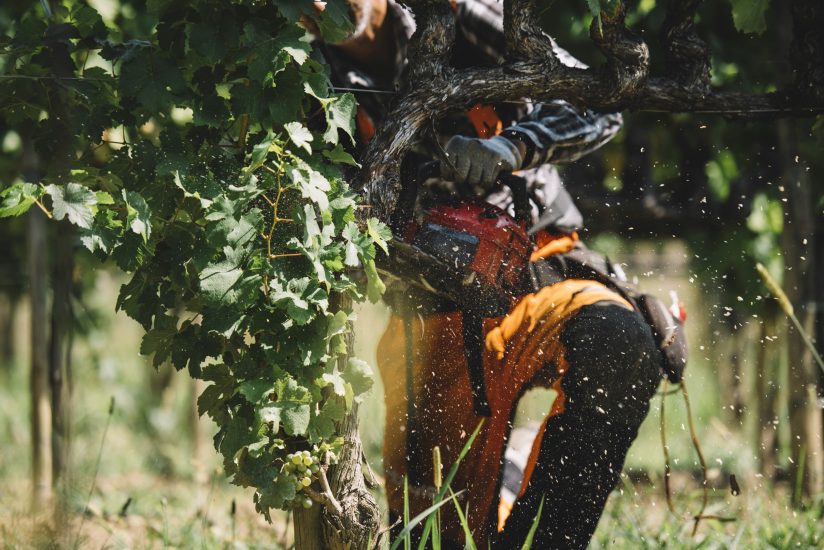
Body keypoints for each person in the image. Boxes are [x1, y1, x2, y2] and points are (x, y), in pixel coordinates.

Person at [308, 1, 674, 547]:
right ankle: (508, 476)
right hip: (431, 319)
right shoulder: (302, 77)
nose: (318, 5)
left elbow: (600, 103)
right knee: (436, 536)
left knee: (617, 342)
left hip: (539, 269)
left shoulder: (462, 16)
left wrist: (513, 145)